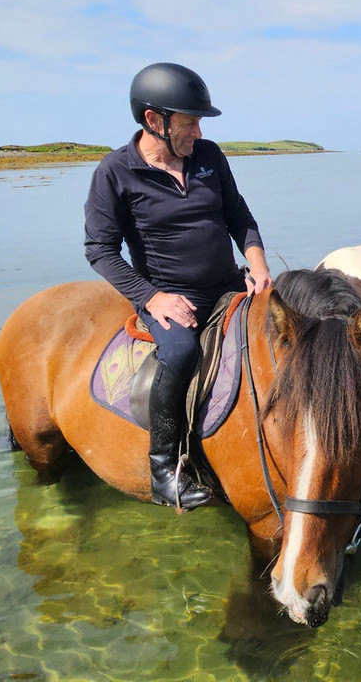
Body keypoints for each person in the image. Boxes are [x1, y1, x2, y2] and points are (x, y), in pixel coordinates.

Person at [84, 62, 272, 510]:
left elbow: (238, 216)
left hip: (230, 284)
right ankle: (164, 471)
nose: (198, 132)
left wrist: (259, 266)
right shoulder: (114, 172)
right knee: (182, 351)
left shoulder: (208, 157)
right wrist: (153, 298)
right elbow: (100, 250)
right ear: (154, 120)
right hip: (169, 297)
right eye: (189, 122)